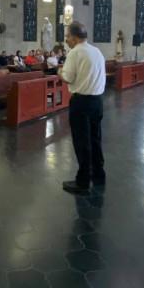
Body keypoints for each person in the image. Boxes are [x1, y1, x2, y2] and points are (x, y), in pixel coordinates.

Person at [59, 21, 107, 195]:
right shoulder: (97, 51)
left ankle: (83, 181)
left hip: (82, 102)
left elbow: (69, 78)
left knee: (82, 142)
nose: (66, 40)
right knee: (95, 139)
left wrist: (60, 73)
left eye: (67, 37)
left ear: (74, 37)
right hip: (97, 101)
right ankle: (99, 175)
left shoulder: (75, 52)